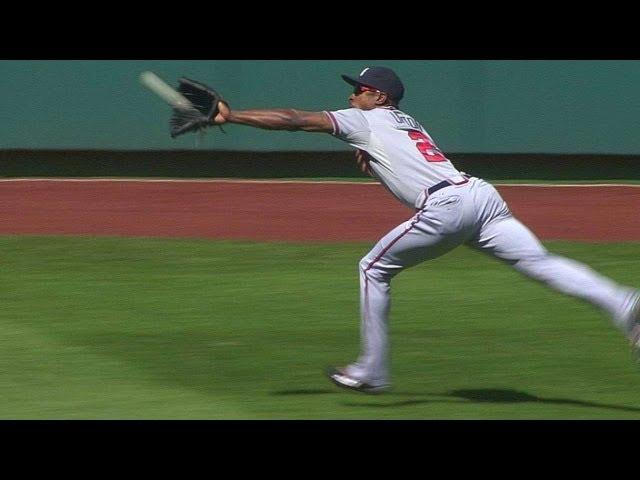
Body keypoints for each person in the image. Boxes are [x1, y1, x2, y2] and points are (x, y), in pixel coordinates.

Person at [211, 66, 640, 393]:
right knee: (541, 264)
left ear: (378, 95)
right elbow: (394, 157)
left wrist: (232, 116)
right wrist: (371, 158)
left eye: (359, 88)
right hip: (481, 196)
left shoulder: (366, 118)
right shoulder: (406, 120)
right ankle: (625, 304)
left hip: (447, 205)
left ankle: (372, 372)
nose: (351, 93)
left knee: (372, 269)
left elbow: (293, 119)